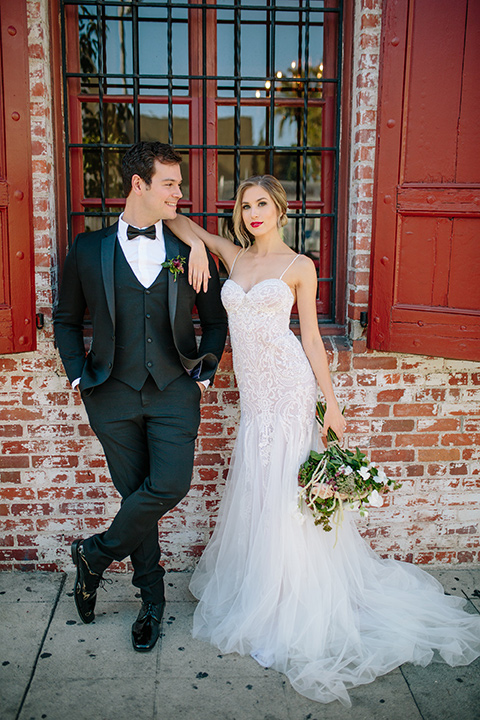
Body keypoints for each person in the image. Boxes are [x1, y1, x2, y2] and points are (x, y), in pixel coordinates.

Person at [166, 174, 480, 706]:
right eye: (245, 206)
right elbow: (174, 219)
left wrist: (330, 404)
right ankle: (264, 586)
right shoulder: (232, 256)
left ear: (281, 209)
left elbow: (310, 336)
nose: (252, 214)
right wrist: (197, 241)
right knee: (261, 483)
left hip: (289, 389)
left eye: (262, 204)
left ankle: (291, 599)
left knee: (288, 490)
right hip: (256, 398)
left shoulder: (299, 267)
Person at [54, 141, 228, 652]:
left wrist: (206, 371)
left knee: (168, 484)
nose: (180, 192)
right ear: (139, 185)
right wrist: (76, 375)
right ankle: (151, 604)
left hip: (176, 391)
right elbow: (66, 319)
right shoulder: (88, 249)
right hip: (110, 394)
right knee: (137, 502)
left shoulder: (186, 250)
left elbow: (215, 322)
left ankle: (94, 555)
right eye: (170, 183)